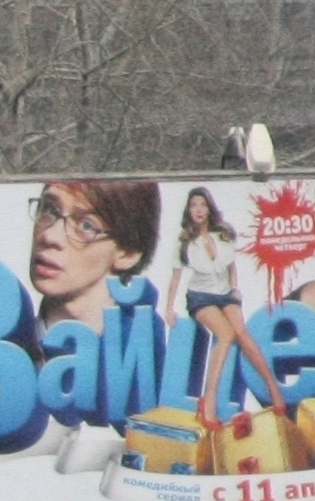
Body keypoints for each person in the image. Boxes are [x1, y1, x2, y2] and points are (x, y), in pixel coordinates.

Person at [173, 189, 286, 419]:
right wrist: (168, 308)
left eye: (202, 205)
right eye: (193, 205)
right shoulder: (185, 242)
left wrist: (235, 287)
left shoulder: (223, 235)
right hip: (200, 296)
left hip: (225, 293)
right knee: (225, 334)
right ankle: (209, 400)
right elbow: (176, 277)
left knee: (242, 333)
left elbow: (231, 266)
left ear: (209, 208)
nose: (198, 210)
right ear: (189, 210)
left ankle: (273, 388)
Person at [27, 178, 159, 334]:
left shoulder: (158, 354)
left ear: (128, 254)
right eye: (50, 210)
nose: (49, 236)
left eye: (86, 225)